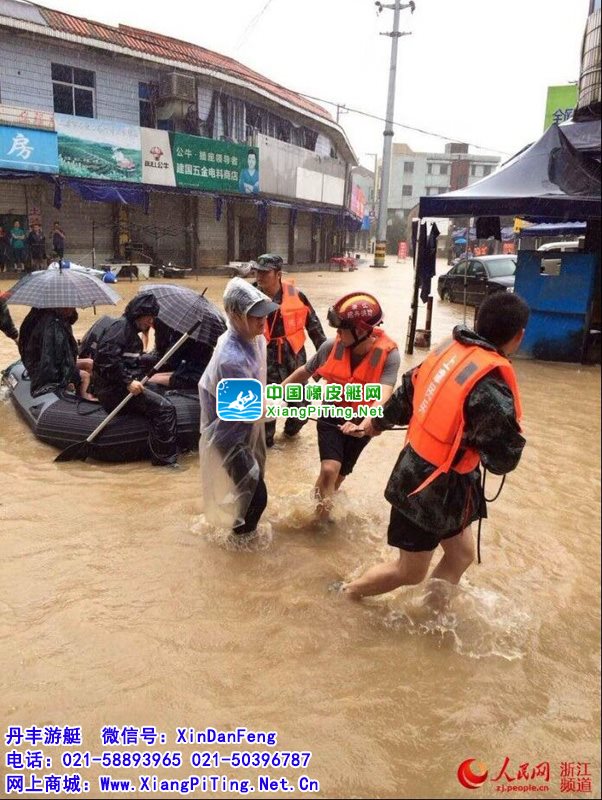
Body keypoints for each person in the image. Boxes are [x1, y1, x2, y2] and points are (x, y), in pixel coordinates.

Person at [338, 292, 530, 601]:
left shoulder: (448, 350)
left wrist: (374, 424)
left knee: (462, 554)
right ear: (519, 336)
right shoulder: (492, 391)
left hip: (434, 477)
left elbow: (406, 394)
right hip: (427, 488)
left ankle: (431, 621)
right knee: (410, 571)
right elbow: (502, 462)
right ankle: (347, 593)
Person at [283, 292, 400, 520]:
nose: (336, 333)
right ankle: (320, 523)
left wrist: (364, 425)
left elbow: (384, 395)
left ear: (362, 331)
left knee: (337, 477)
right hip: (332, 412)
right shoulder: (330, 347)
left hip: (363, 422)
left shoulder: (389, 355)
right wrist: (275, 393)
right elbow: (304, 372)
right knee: (329, 469)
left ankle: (317, 510)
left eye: (342, 329)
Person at [199, 278, 278, 540]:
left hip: (243, 429)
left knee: (251, 489)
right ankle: (239, 546)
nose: (262, 321)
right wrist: (281, 403)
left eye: (264, 315)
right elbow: (244, 409)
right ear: (235, 315)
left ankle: (241, 536)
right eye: (255, 316)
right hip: (229, 435)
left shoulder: (253, 340)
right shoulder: (231, 358)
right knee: (256, 495)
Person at [92, 294, 180, 468]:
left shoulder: (131, 332)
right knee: (165, 409)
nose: (150, 322)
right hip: (114, 391)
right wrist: (127, 381)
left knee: (156, 390)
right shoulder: (121, 328)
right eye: (149, 318)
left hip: (120, 386)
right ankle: (165, 462)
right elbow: (106, 359)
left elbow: (128, 361)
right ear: (138, 314)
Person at [254, 253, 326, 447]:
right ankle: (268, 448)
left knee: (300, 411)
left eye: (264, 273)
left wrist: (326, 360)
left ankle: (288, 436)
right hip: (263, 362)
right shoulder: (249, 296)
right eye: (257, 272)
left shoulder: (296, 295)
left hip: (293, 360)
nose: (259, 276)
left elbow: (315, 328)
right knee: (266, 420)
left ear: (278, 274)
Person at [18, 307, 95, 400]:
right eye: (70, 307)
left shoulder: (48, 318)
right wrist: (66, 379)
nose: (73, 309)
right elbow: (53, 362)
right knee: (85, 376)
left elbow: (62, 354)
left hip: (48, 362)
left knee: (90, 363)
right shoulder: (53, 326)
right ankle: (84, 400)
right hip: (45, 368)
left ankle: (92, 392)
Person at [149, 316, 214, 391]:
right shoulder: (202, 337)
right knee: (153, 377)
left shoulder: (189, 337)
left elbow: (172, 359)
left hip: (193, 377)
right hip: (187, 371)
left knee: (152, 380)